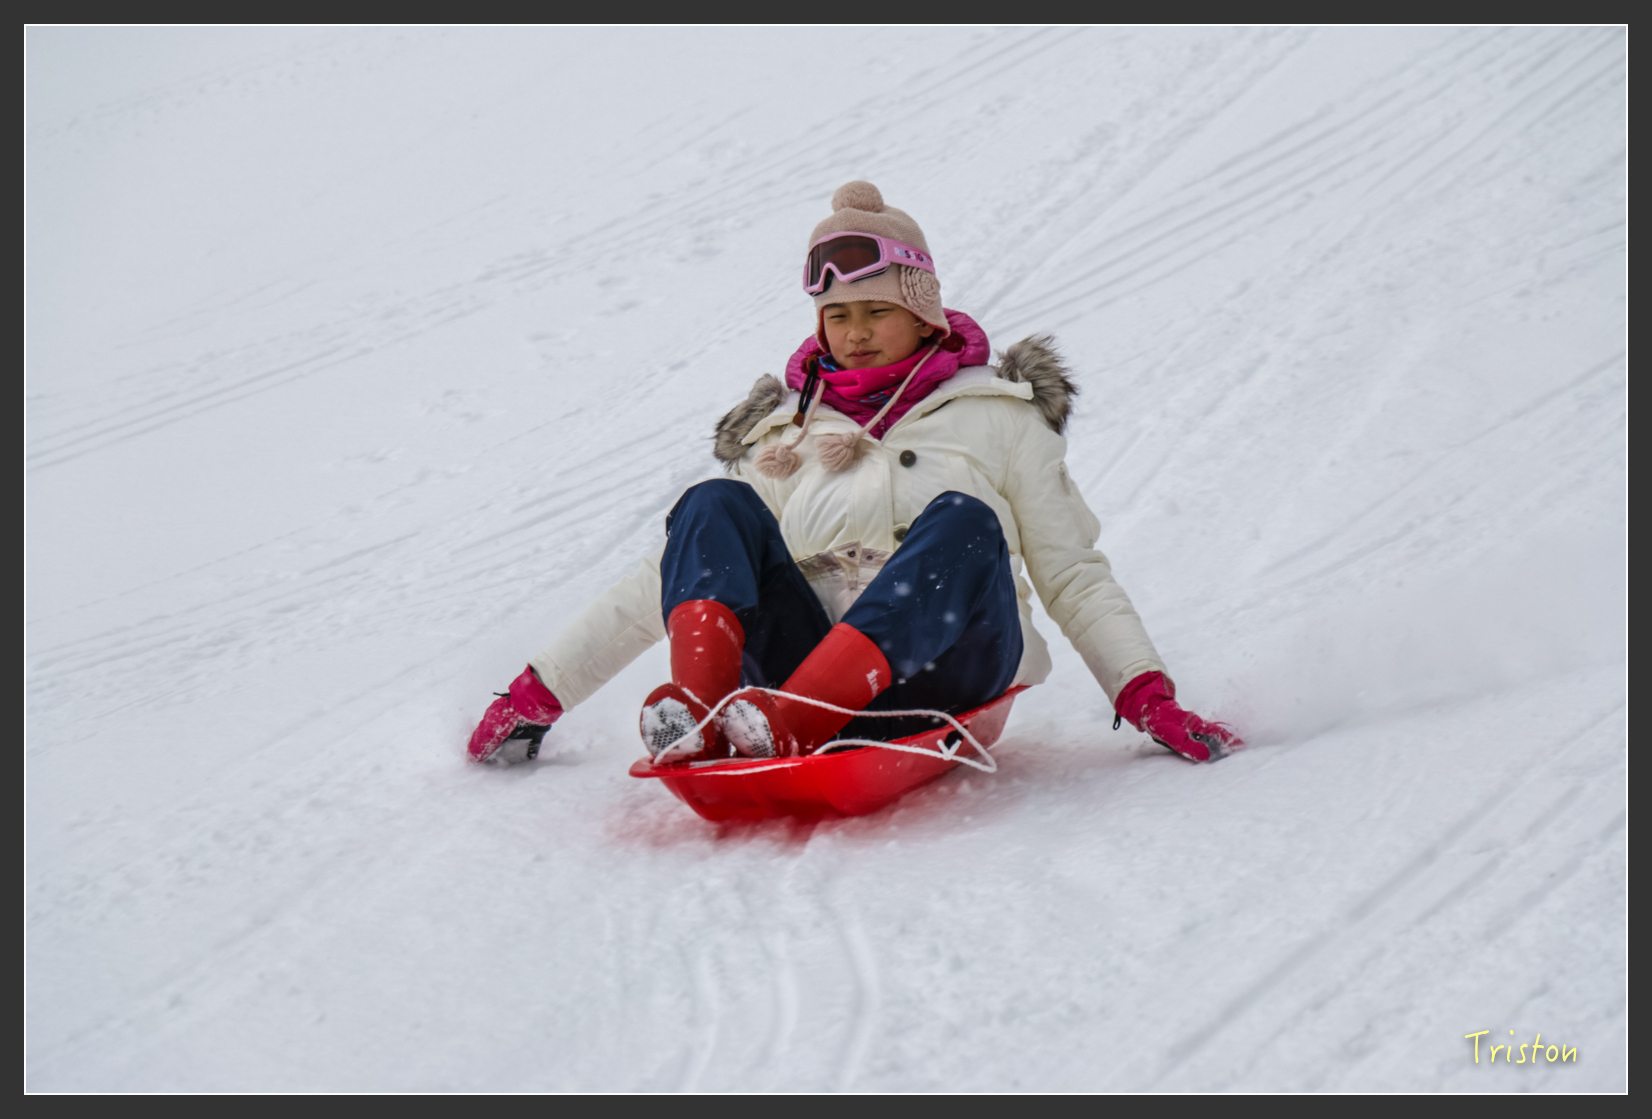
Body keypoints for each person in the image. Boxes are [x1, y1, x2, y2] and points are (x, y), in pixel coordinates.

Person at [466, 181, 1240, 767]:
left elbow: (1072, 573)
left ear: (922, 312)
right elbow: (665, 579)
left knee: (964, 523)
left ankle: (794, 719)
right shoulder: (788, 433)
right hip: (796, 669)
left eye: (877, 312)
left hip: (948, 670)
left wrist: (1146, 694)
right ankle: (701, 715)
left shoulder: (1000, 416)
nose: (857, 333)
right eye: (838, 316)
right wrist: (539, 692)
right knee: (712, 506)